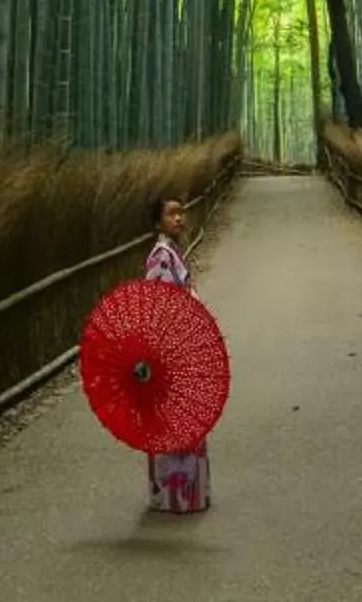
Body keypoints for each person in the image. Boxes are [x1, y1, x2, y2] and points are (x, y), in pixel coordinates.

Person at [140, 194, 211, 515]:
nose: (179, 219)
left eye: (181, 213)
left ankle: (186, 494)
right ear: (158, 222)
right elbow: (160, 308)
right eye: (171, 214)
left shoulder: (172, 252)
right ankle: (175, 496)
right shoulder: (160, 256)